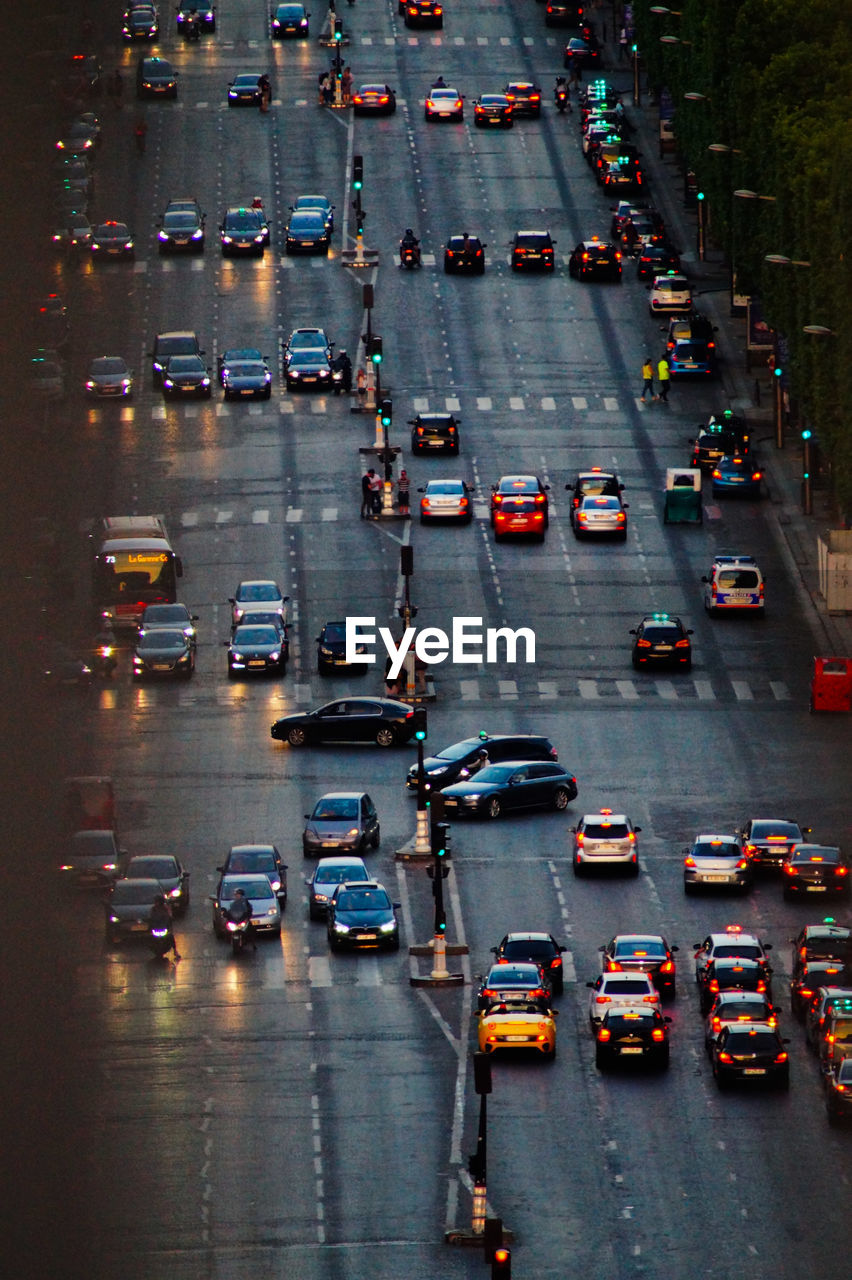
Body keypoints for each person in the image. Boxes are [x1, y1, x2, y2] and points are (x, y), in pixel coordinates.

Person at [149, 894, 181, 959]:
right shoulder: (153, 909)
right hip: (156, 927)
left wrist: (170, 919)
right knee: (149, 937)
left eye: (157, 902)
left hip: (164, 926)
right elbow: (151, 917)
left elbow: (169, 916)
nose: (156, 903)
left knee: (171, 936)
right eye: (156, 902)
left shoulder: (166, 908)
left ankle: (175, 951)